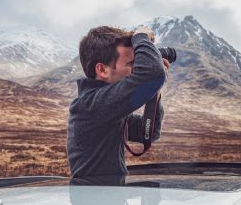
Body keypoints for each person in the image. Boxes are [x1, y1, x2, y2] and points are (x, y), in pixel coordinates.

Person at [67, 25, 170, 178]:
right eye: (130, 64)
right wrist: (141, 37)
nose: (136, 69)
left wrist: (154, 90)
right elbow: (152, 75)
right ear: (102, 70)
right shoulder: (93, 105)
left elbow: (147, 132)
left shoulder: (103, 107)